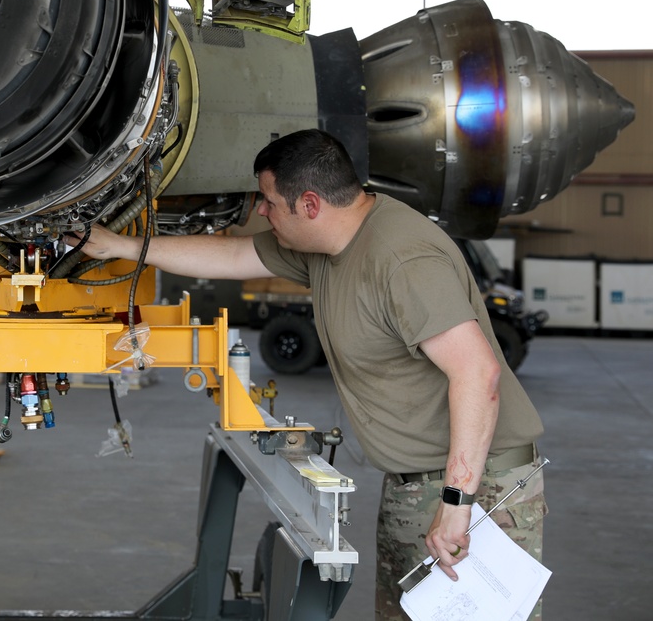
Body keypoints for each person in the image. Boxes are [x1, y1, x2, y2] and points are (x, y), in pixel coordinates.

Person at [65, 129, 546, 620]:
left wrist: (457, 502)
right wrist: (118, 246)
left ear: (310, 204)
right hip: (415, 484)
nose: (261, 213)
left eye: (270, 202)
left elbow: (477, 372)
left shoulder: (402, 259)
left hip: (476, 491)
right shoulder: (329, 245)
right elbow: (232, 256)